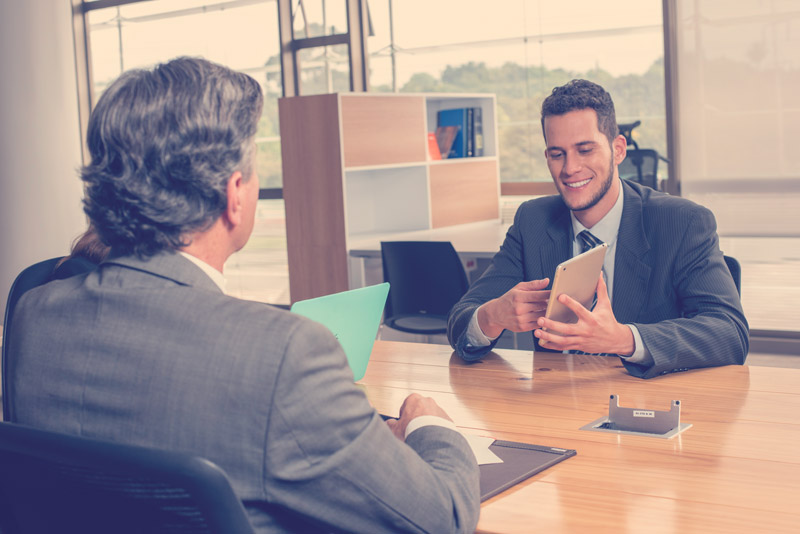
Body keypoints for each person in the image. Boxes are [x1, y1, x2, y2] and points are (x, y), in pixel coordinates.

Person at [7, 57, 480, 533]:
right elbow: (444, 519)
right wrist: (429, 425)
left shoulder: (34, 316)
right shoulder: (281, 354)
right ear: (235, 195)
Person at [448, 79, 748, 379]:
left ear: (618, 150)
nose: (570, 168)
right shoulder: (532, 221)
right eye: (557, 154)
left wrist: (623, 339)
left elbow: (729, 332)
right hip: (554, 405)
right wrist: (491, 316)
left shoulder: (682, 223)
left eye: (585, 150)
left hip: (647, 406)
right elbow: (461, 321)